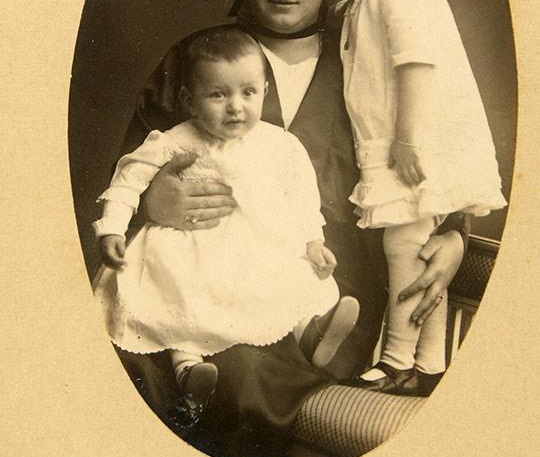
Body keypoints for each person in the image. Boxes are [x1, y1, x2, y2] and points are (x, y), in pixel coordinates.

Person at [116, 0, 469, 457]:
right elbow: (130, 169)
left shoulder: (367, 55)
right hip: (202, 271)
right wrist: (152, 201)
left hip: (328, 286)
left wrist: (454, 232)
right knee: (149, 354)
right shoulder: (199, 58)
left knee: (241, 365)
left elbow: (431, 141)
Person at [93, 28, 359, 419]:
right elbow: (128, 178)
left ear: (264, 92)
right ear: (190, 100)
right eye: (218, 95)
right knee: (177, 296)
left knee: (293, 275)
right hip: (192, 248)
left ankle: (309, 332)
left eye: (247, 93)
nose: (235, 107)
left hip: (254, 248)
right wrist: (113, 227)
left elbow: (302, 198)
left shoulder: (279, 144)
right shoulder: (175, 140)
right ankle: (188, 367)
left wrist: (312, 242)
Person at [328, 0, 506, 396]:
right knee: (417, 253)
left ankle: (398, 356)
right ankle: (430, 364)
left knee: (403, 253)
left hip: (410, 146)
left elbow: (416, 62)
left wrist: (407, 139)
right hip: (396, 145)